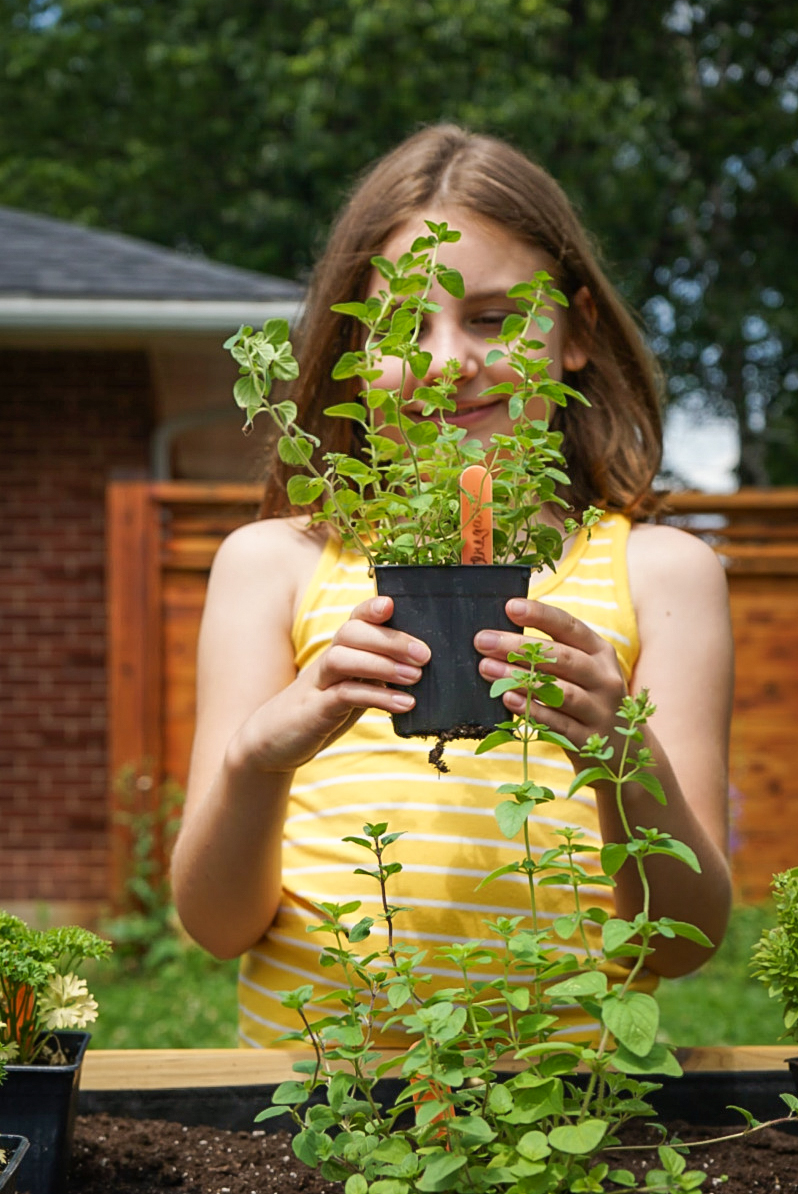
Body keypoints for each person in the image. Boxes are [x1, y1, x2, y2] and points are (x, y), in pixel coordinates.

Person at [171, 124, 733, 1050]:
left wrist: (622, 753)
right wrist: (255, 758)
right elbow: (216, 924)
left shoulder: (662, 574)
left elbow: (687, 938)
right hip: (314, 1105)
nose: (446, 362)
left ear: (578, 331)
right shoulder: (272, 565)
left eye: (492, 317)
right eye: (402, 326)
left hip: (554, 1122)